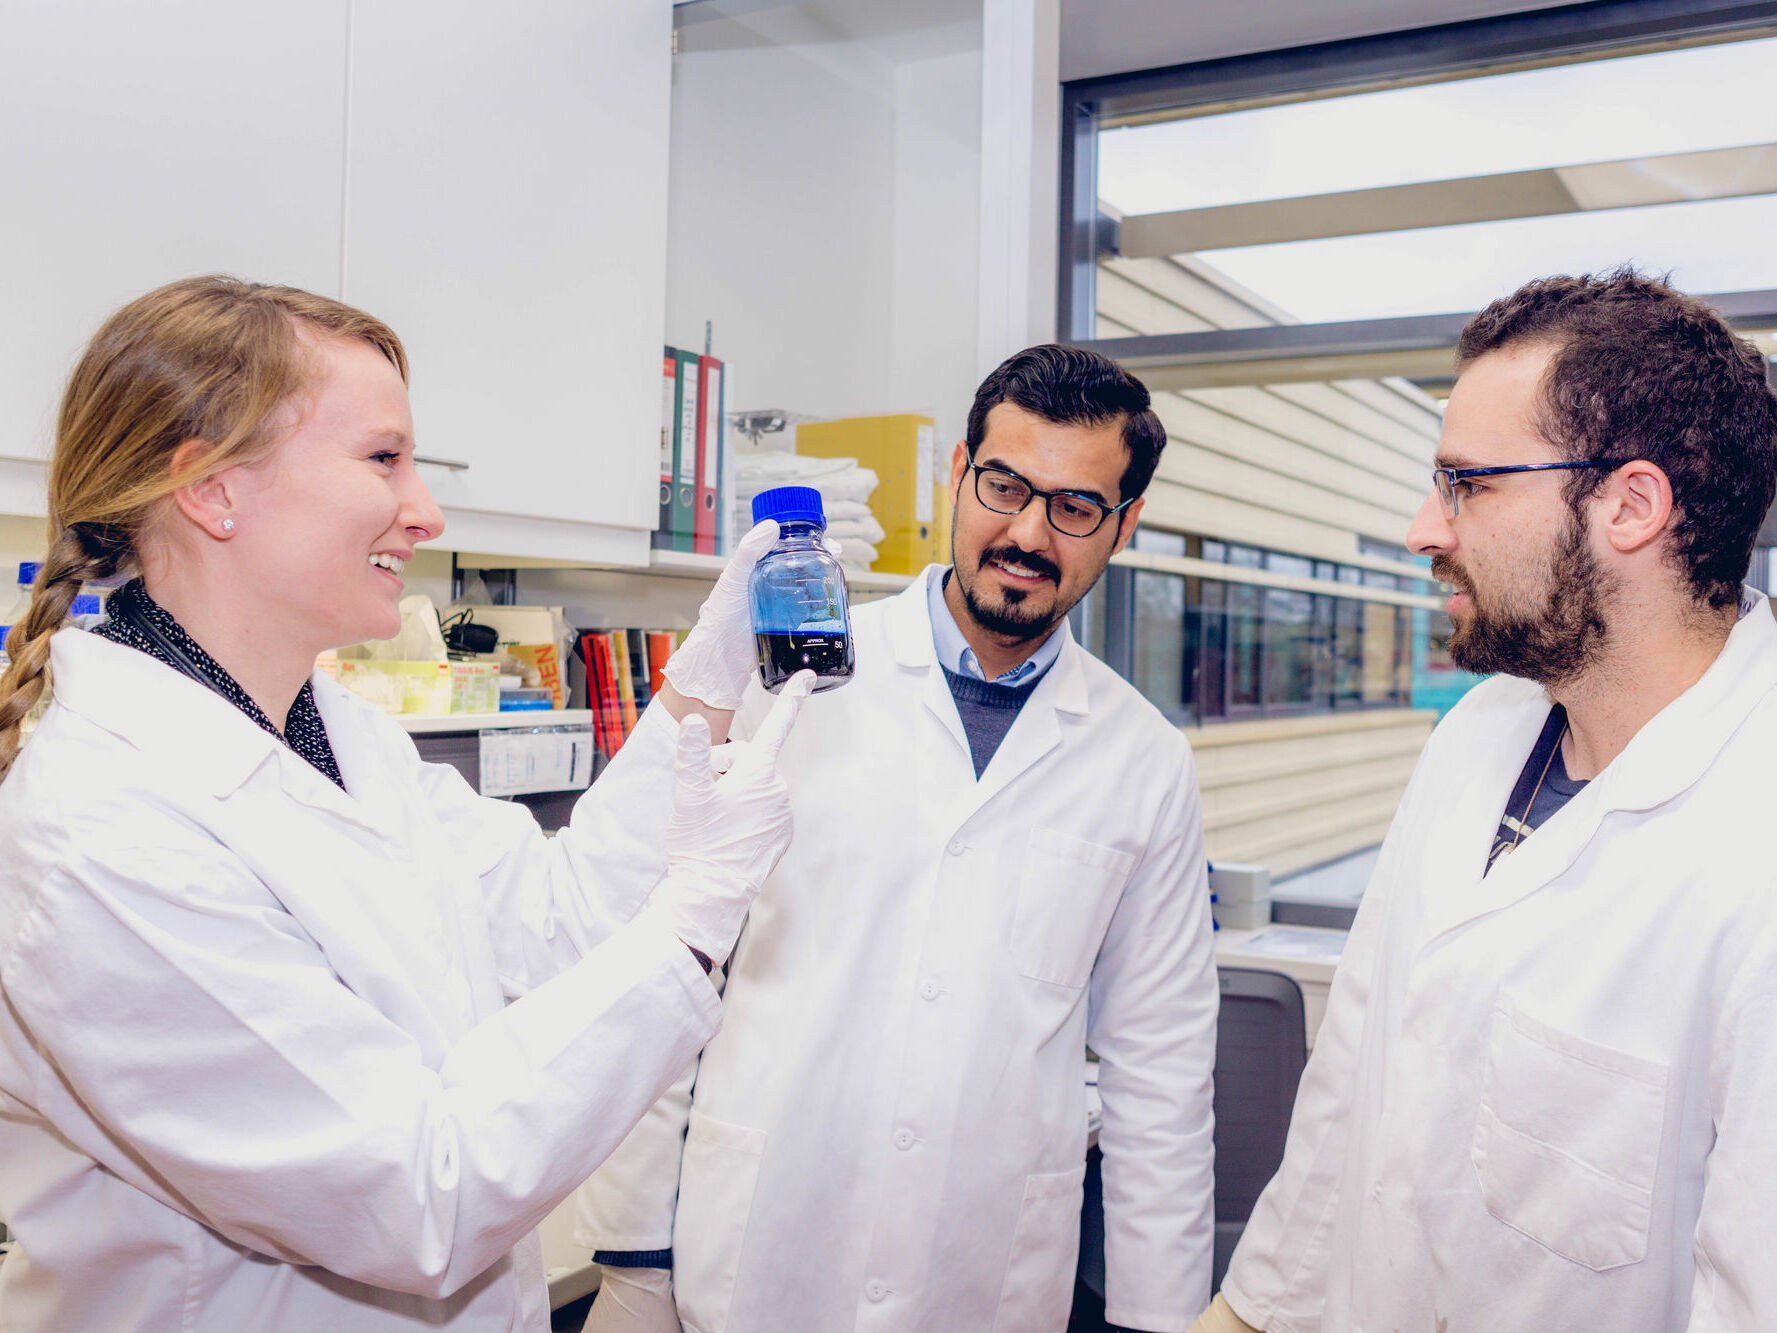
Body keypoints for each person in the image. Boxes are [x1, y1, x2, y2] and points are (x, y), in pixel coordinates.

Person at [0, 275, 815, 1332]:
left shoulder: (342, 735)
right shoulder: (100, 837)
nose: (425, 508)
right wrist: (697, 914)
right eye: (382, 457)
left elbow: (557, 921)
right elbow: (421, 1197)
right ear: (211, 488)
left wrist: (701, 691)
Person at [576, 344, 1219, 1333]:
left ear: (1122, 525)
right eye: (1004, 485)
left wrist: (1153, 1318)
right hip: (756, 1255)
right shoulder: (785, 674)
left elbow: (1160, 1071)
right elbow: (666, 965)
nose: (1027, 532)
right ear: (958, 474)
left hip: (981, 1275)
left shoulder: (1143, 760)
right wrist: (633, 1251)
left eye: (1075, 506)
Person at [1191, 269, 1777, 1333]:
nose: (1424, 527)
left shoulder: (1755, 843)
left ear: (1630, 506)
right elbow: (1349, 1099)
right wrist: (1240, 1316)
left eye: (1467, 484)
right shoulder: (1475, 736)